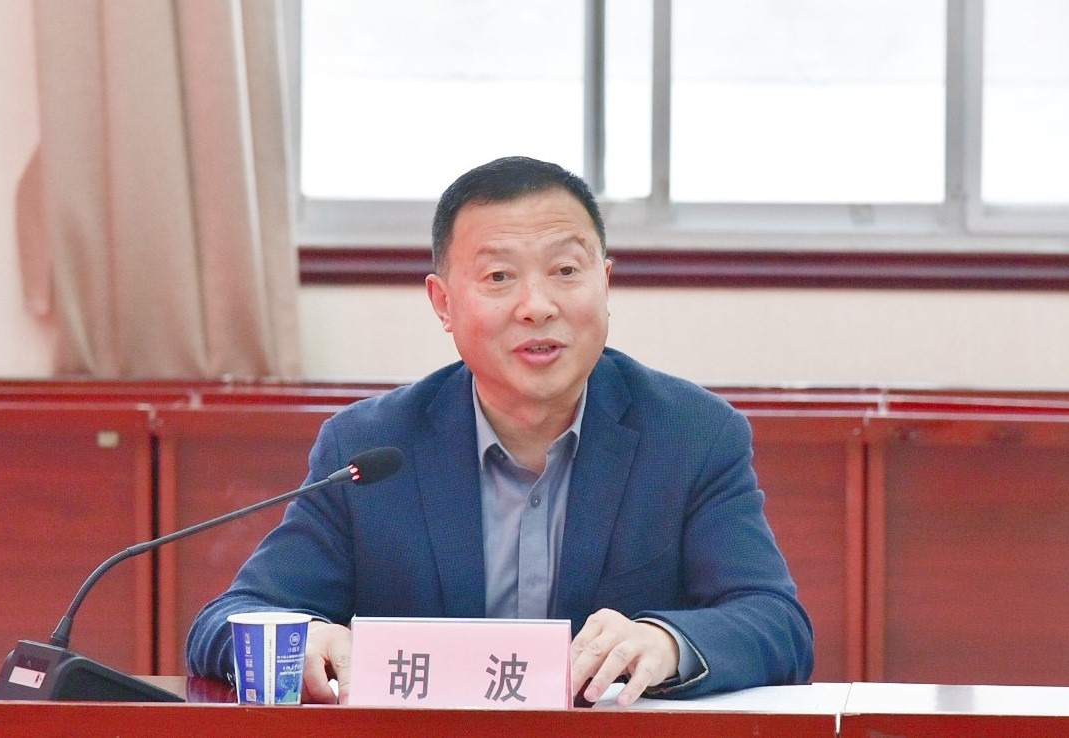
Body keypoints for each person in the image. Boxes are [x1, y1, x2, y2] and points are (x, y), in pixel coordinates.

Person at [186, 156, 813, 706]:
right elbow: (229, 620)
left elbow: (776, 622)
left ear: (605, 283)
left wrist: (667, 641)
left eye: (566, 270)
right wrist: (306, 639)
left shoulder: (693, 436)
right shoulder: (369, 448)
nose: (537, 305)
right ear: (443, 303)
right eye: (498, 277)